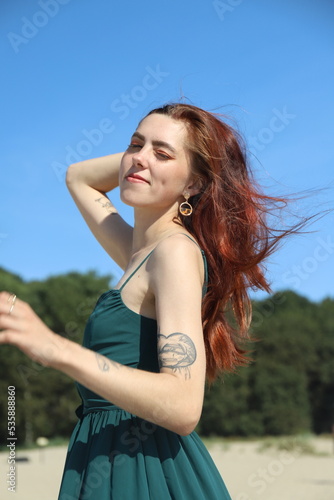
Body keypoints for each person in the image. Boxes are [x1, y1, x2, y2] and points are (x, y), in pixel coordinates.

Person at [0, 103, 305, 499]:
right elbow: (79, 178)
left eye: (162, 154)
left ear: (194, 184)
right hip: (108, 458)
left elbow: (183, 407)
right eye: (134, 143)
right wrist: (152, 157)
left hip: (142, 468)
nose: (139, 159)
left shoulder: (174, 253)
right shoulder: (140, 252)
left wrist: (55, 349)